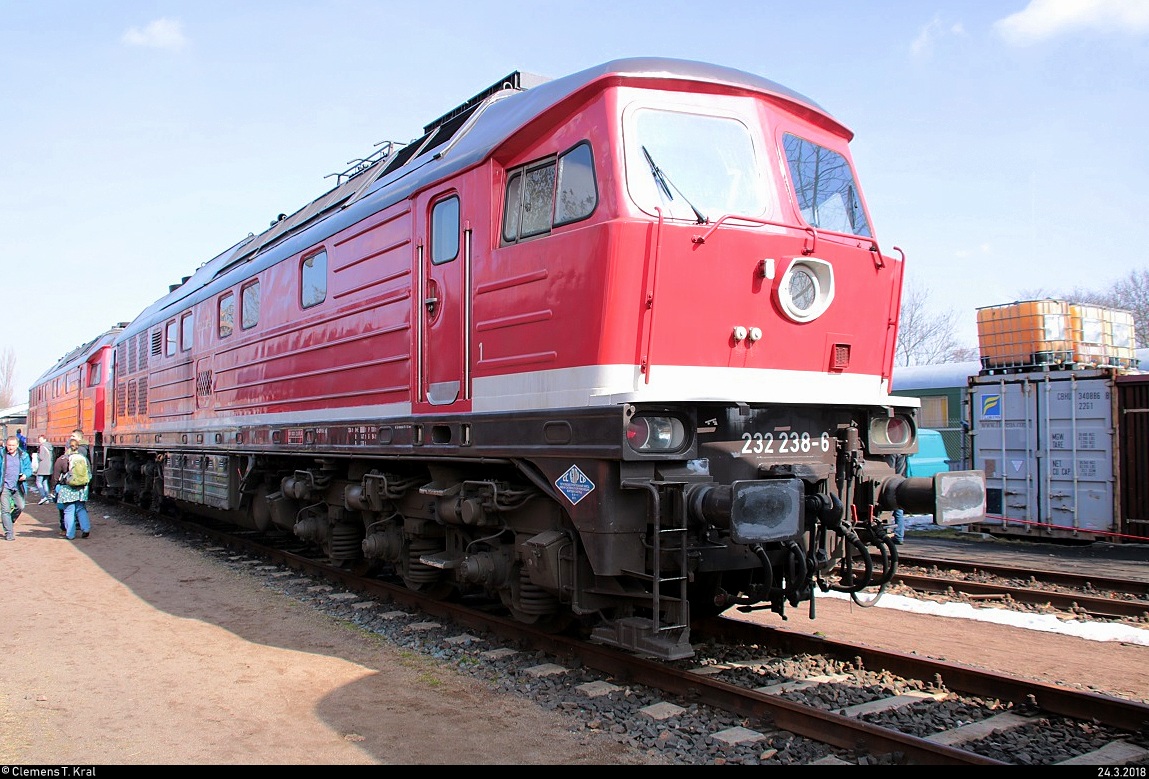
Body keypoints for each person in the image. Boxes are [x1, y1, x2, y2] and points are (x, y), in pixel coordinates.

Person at [53, 436, 91, 540]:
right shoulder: (84, 459)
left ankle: (70, 534)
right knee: (81, 508)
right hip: (81, 489)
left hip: (67, 489)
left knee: (69, 510)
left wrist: (54, 489)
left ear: (67, 447)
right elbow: (89, 474)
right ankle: (86, 529)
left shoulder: (62, 460)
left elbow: (56, 477)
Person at [1, 435, 33, 541]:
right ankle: (9, 533)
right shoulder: (2, 455)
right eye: (9, 445)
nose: (10, 447)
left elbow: (29, 469)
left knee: (20, 506)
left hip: (18, 486)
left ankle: (10, 521)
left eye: (13, 445)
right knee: (5, 509)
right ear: (6, 445)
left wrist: (25, 475)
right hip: (4, 486)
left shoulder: (23, 455)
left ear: (17, 445)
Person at [886, 453, 907, 545]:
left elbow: (890, 469)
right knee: (898, 510)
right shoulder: (902, 453)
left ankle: (894, 534)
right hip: (900, 481)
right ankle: (899, 535)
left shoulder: (891, 454)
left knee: (891, 509)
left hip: (892, 483)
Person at [35, 435, 54, 504]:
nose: (39, 441)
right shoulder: (50, 446)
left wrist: (36, 455)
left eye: (40, 439)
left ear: (44, 439)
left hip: (42, 467)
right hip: (48, 467)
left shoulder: (42, 446)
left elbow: (41, 457)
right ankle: (47, 496)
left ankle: (43, 496)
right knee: (45, 482)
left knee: (38, 482)